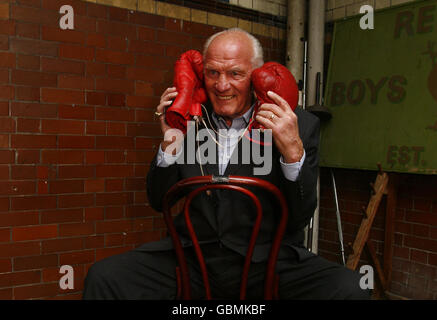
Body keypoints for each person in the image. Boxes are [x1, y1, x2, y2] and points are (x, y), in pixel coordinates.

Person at [83, 28, 369, 300]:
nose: (222, 85)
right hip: (193, 256)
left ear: (255, 76)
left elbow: (300, 216)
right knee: (105, 276)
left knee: (351, 289)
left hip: (267, 260)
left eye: (235, 74)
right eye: (212, 73)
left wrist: (293, 151)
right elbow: (158, 199)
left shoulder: (297, 124)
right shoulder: (190, 119)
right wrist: (171, 140)